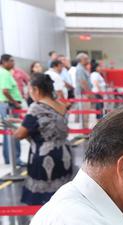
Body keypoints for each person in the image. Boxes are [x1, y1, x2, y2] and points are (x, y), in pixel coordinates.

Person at [13, 73, 72, 205]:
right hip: (64, 155)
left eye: (30, 90)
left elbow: (20, 134)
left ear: (36, 89)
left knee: (42, 201)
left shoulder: (36, 107)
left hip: (44, 156)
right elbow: (48, 123)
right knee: (62, 196)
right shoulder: (60, 105)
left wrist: (15, 130)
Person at [0, 54, 23, 166]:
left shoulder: (4, 72)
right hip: (9, 106)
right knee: (13, 132)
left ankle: (9, 158)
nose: (13, 63)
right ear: (4, 62)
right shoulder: (4, 73)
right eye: (11, 61)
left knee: (8, 133)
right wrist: (15, 103)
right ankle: (15, 158)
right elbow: (5, 91)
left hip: (6, 105)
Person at [73, 52, 92, 128]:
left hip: (84, 93)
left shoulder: (83, 68)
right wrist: (88, 93)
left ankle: (85, 128)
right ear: (81, 60)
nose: (88, 60)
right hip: (83, 94)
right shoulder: (80, 69)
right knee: (84, 112)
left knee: (85, 113)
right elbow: (83, 82)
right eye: (86, 59)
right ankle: (84, 129)